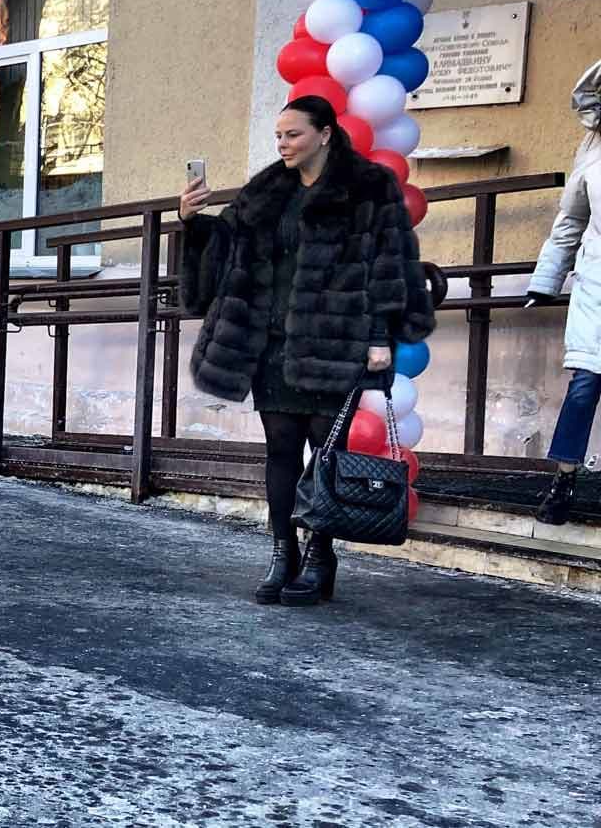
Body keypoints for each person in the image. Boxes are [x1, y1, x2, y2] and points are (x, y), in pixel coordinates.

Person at [178, 94, 435, 606]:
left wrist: (381, 338)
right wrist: (193, 221)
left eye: (292, 134)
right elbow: (228, 244)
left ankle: (320, 556)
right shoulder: (268, 190)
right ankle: (282, 553)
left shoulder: (368, 188)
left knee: (325, 453)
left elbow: (390, 263)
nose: (283, 144)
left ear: (324, 133)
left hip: (333, 343)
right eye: (278, 135)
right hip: (272, 345)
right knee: (280, 451)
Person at [528, 60, 601, 524]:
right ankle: (564, 480)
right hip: (598, 286)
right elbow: (571, 220)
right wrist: (544, 280)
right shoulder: (594, 152)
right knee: (585, 386)